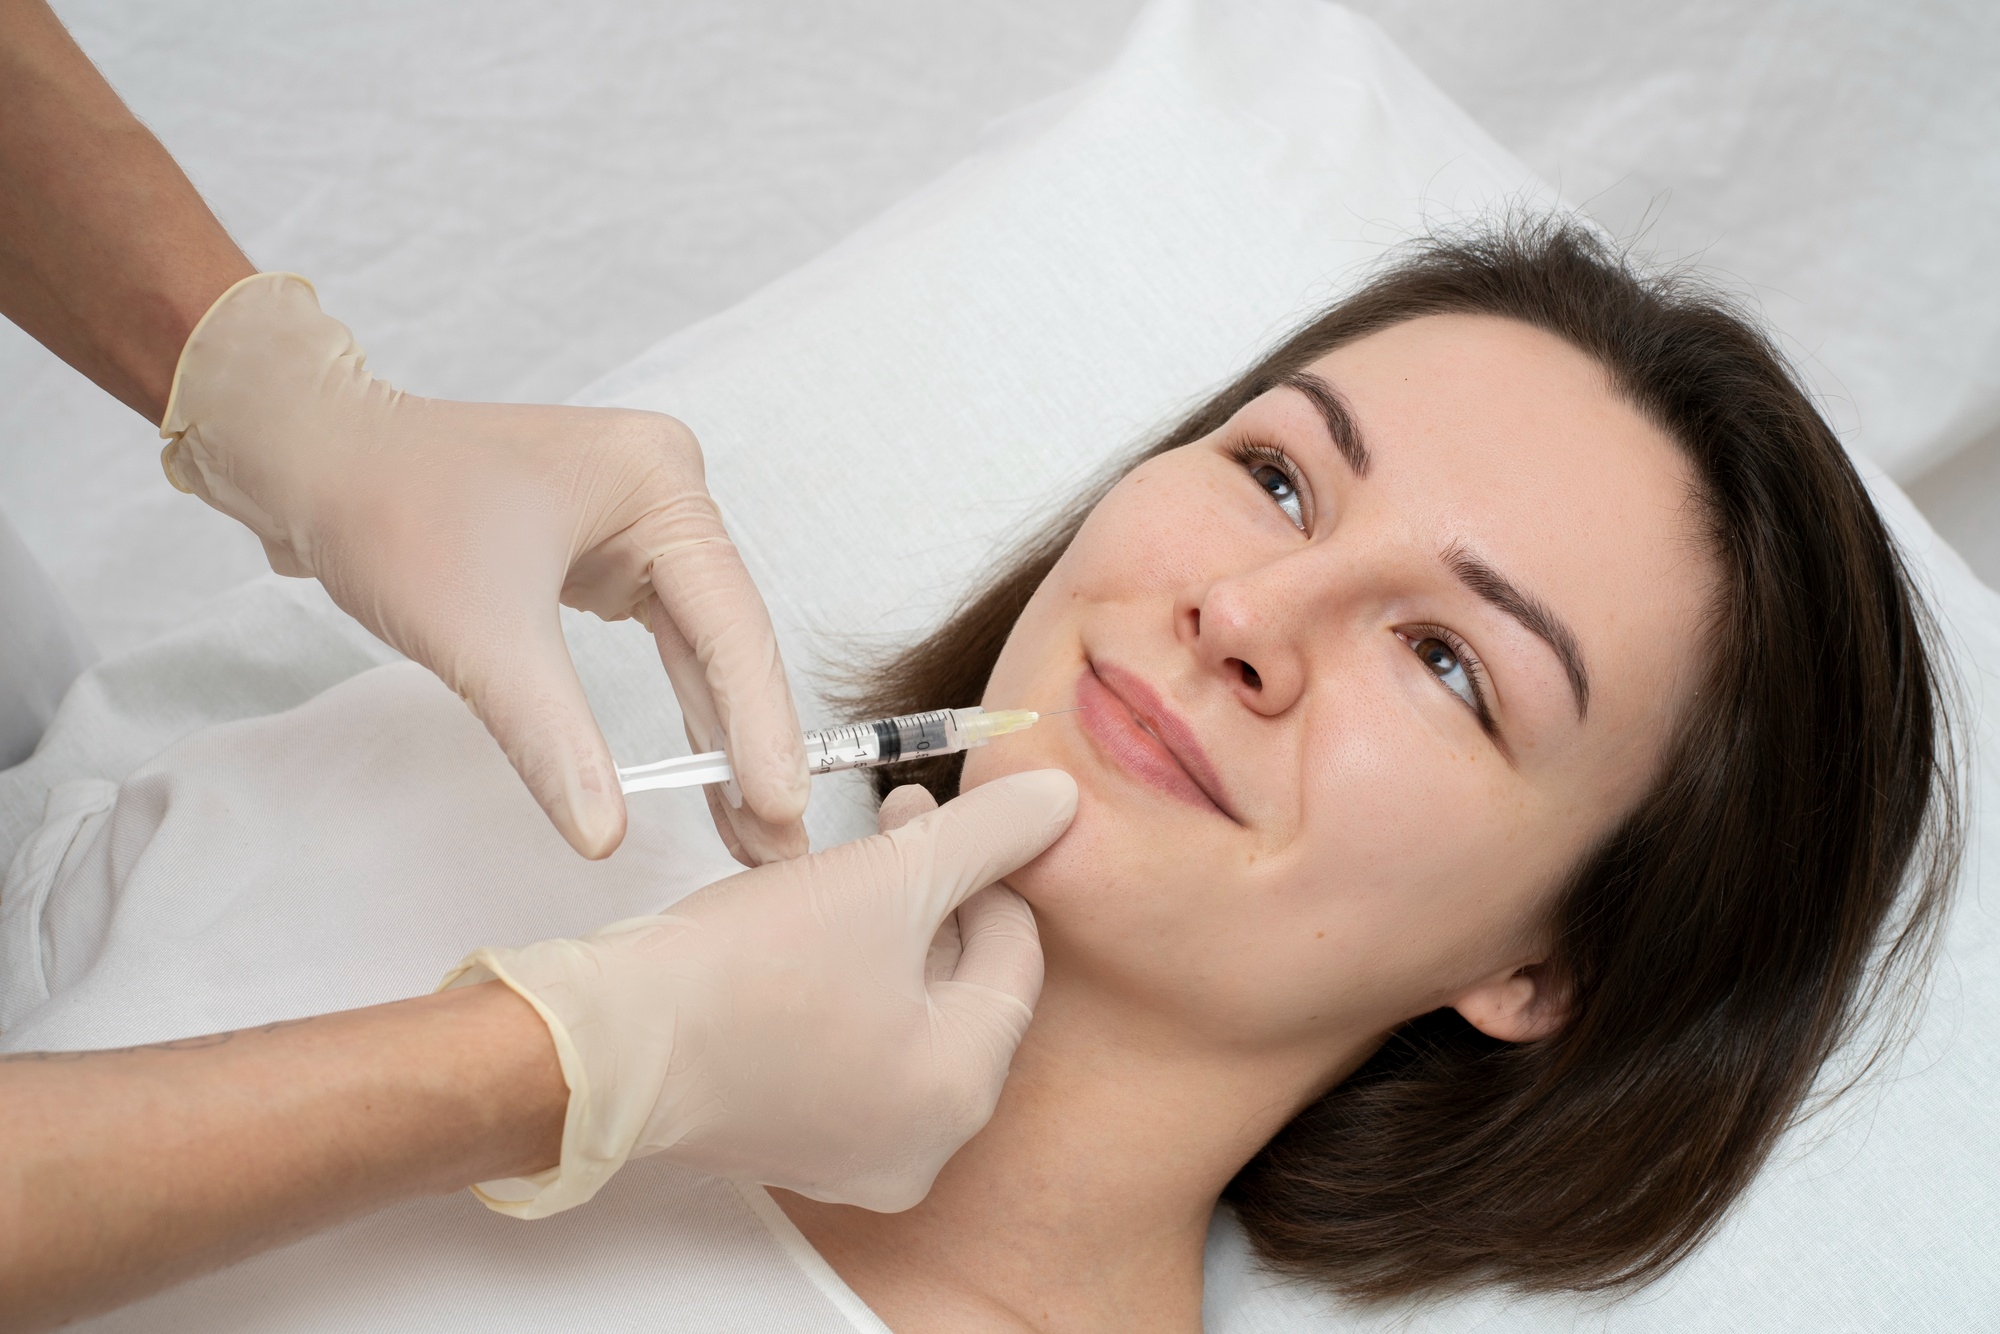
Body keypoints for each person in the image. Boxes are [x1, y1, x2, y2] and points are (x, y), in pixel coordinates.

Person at [2, 220, 1956, 1331]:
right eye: (1276, 473)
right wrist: (279, 399)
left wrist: (561, 1069)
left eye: (1449, 661)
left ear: (1546, 971)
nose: (1250, 608)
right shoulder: (477, 766)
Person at [0, 2, 1077, 1326]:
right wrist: (564, 1061)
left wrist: (273, 393)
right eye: (1276, 479)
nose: (1249, 621)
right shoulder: (411, 797)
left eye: (1423, 654)